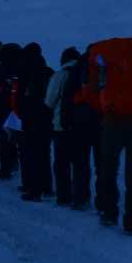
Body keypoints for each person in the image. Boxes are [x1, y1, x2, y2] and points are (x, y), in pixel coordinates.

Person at [90, 37, 132, 234]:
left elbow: (94, 89)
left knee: (109, 168)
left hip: (113, 122)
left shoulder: (104, 63)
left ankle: (110, 213)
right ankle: (131, 220)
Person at [45, 47, 94, 209]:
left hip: (62, 126)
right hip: (84, 126)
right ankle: (82, 197)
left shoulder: (59, 75)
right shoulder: (87, 75)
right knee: (81, 163)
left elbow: (49, 102)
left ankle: (63, 196)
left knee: (62, 163)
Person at [16, 43, 54, 201]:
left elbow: (21, 97)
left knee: (32, 153)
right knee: (44, 153)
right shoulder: (48, 71)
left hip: (31, 118)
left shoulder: (27, 72)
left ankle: (34, 189)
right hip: (47, 118)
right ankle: (46, 186)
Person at [0, 41, 22, 180]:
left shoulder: (0, 69)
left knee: (3, 139)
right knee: (13, 138)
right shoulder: (20, 68)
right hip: (17, 109)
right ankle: (14, 163)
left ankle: (5, 168)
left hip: (1, 108)